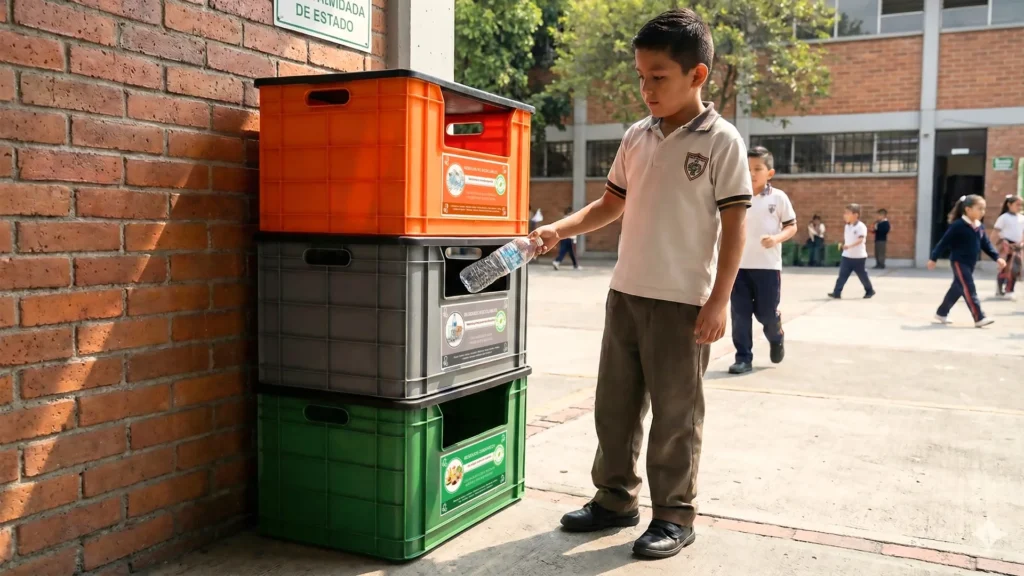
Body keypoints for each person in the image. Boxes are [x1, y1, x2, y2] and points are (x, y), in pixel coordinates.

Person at [530, 9, 750, 559]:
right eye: (641, 77)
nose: (646, 89)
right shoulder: (637, 136)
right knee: (616, 406)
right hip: (626, 293)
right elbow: (610, 205)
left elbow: (736, 225)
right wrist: (558, 228)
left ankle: (674, 513)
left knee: (677, 414)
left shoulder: (722, 142)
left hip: (683, 302)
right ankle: (614, 500)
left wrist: (719, 300)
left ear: (697, 76)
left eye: (659, 77)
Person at [728, 146, 796, 375]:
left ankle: (776, 336)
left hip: (767, 267)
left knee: (766, 314)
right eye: (748, 169)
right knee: (740, 314)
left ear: (770, 173)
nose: (752, 173)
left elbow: (791, 226)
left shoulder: (778, 198)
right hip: (738, 267)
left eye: (758, 168)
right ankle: (743, 358)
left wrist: (776, 238)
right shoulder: (736, 196)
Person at [928, 194, 1005, 327]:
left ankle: (942, 312)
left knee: (957, 288)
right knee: (969, 288)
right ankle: (979, 317)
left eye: (984, 209)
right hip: (959, 261)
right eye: (979, 208)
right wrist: (933, 258)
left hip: (970, 263)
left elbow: (986, 244)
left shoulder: (979, 226)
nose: (983, 212)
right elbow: (943, 242)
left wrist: (997, 258)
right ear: (968, 210)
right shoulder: (958, 225)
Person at [828, 204, 875, 299]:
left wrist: (849, 246)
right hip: (847, 256)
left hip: (858, 257)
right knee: (842, 275)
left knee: (862, 275)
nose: (845, 215)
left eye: (848, 213)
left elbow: (860, 239)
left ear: (856, 215)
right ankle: (837, 292)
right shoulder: (847, 226)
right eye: (845, 213)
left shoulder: (861, 226)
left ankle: (869, 290)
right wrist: (845, 246)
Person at [993, 195, 1023, 300]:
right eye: (1017, 204)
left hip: (1017, 246)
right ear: (1009, 205)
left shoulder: (1022, 218)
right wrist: (1002, 243)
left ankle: (1009, 290)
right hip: (1006, 245)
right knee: (1004, 268)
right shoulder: (1004, 217)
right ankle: (1000, 288)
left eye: (1021, 205)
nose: (1019, 207)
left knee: (1015, 269)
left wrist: (1021, 243)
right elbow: (996, 232)